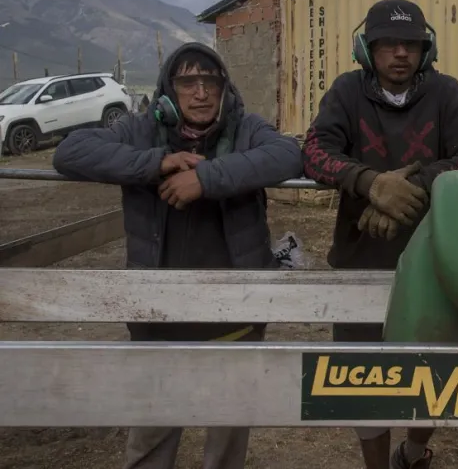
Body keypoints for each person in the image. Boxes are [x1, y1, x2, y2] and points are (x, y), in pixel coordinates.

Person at [52, 43, 304, 469]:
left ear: (225, 88)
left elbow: (288, 154)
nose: (200, 93)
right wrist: (157, 164)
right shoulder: (140, 131)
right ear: (169, 89)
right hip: (157, 314)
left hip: (236, 314)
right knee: (151, 437)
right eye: (188, 82)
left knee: (227, 436)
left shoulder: (245, 128)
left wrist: (206, 178)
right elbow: (70, 152)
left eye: (210, 81)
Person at [302, 0, 458, 469]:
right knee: (361, 380)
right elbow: (314, 152)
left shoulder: (447, 93)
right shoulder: (346, 92)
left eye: (411, 44)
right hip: (359, 259)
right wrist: (371, 185)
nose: (400, 53)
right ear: (366, 49)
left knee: (431, 371)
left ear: (426, 50)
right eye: (387, 43)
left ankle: (413, 452)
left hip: (432, 259)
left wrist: (411, 187)